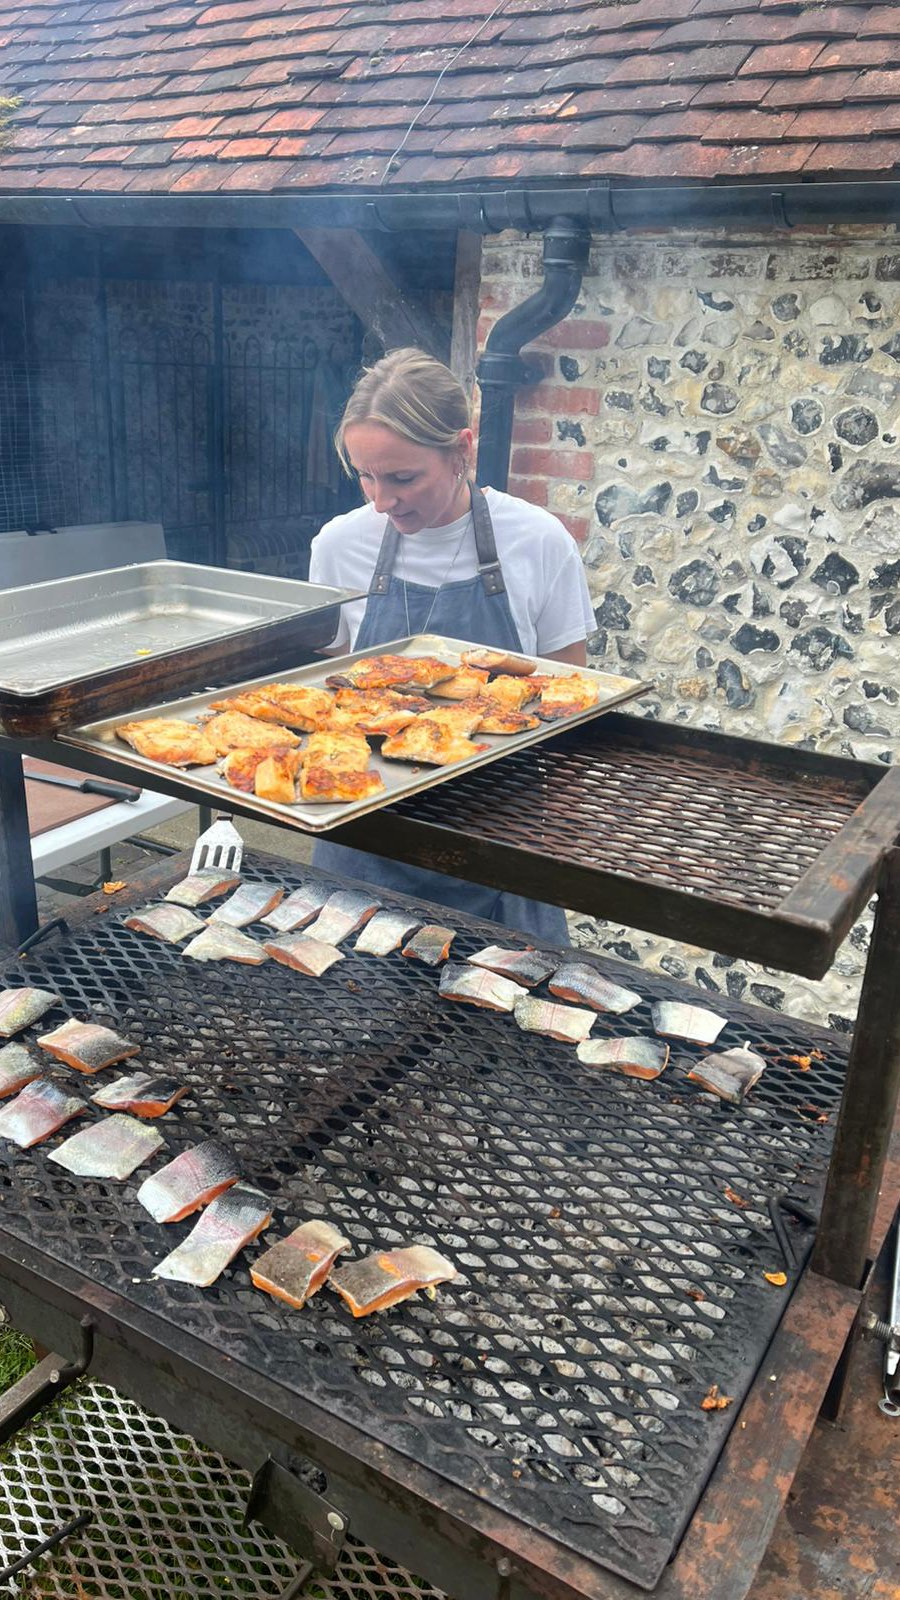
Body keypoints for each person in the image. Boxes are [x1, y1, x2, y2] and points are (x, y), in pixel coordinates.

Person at [308, 347, 596, 943]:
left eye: (403, 477)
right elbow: (329, 704)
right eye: (365, 475)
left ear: (462, 449)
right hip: (366, 828)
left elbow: (573, 700)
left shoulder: (537, 541)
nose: (381, 501)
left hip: (498, 835)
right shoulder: (339, 546)